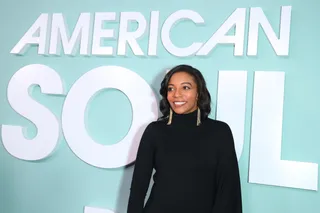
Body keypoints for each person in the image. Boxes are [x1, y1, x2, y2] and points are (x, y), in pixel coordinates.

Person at [127, 64, 242, 213]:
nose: (176, 94)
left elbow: (228, 191)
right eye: (171, 88)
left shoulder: (220, 132)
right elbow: (138, 187)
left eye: (185, 87)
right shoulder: (154, 131)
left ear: (199, 93)